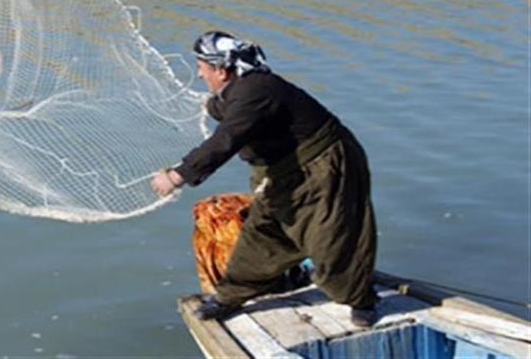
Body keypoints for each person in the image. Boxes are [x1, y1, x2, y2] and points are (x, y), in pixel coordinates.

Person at [151, 31, 378, 327]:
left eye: (202, 67)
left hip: (325, 165)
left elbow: (226, 140)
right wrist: (210, 106)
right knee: (263, 232)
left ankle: (361, 299)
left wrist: (177, 175)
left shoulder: (257, 91)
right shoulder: (244, 89)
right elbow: (230, 111)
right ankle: (229, 296)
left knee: (331, 237)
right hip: (283, 173)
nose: (199, 73)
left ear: (221, 70)